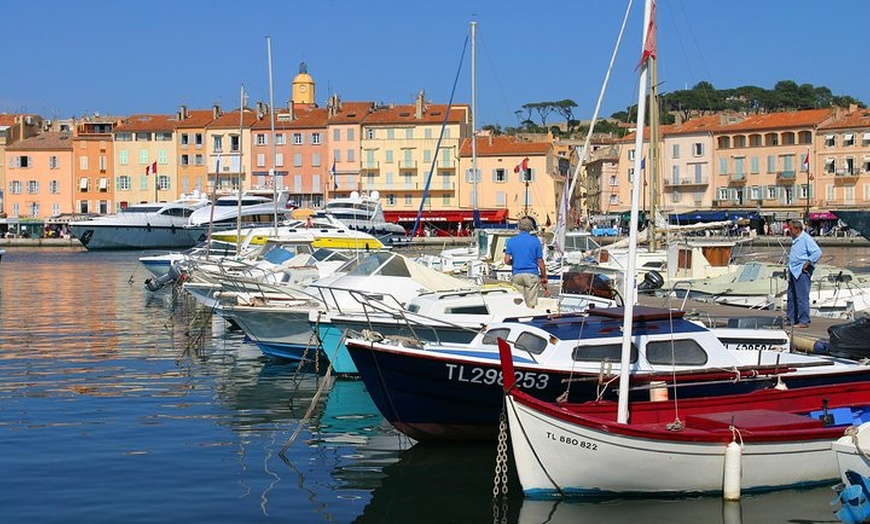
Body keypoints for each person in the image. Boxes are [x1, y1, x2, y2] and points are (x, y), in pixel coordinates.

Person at [503, 216, 547, 307]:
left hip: (517, 274)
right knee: (531, 303)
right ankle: (530, 319)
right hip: (531, 274)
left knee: (518, 303)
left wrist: (514, 262)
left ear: (519, 227)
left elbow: (506, 260)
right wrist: (544, 276)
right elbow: (540, 261)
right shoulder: (535, 241)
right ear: (530, 228)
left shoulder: (511, 241)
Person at [786, 219, 822, 328]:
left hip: (801, 271)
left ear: (797, 229)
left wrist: (808, 262)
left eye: (791, 229)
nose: (789, 231)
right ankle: (791, 319)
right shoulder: (795, 239)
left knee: (802, 297)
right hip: (793, 270)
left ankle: (804, 321)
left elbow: (817, 252)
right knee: (791, 296)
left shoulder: (805, 238)